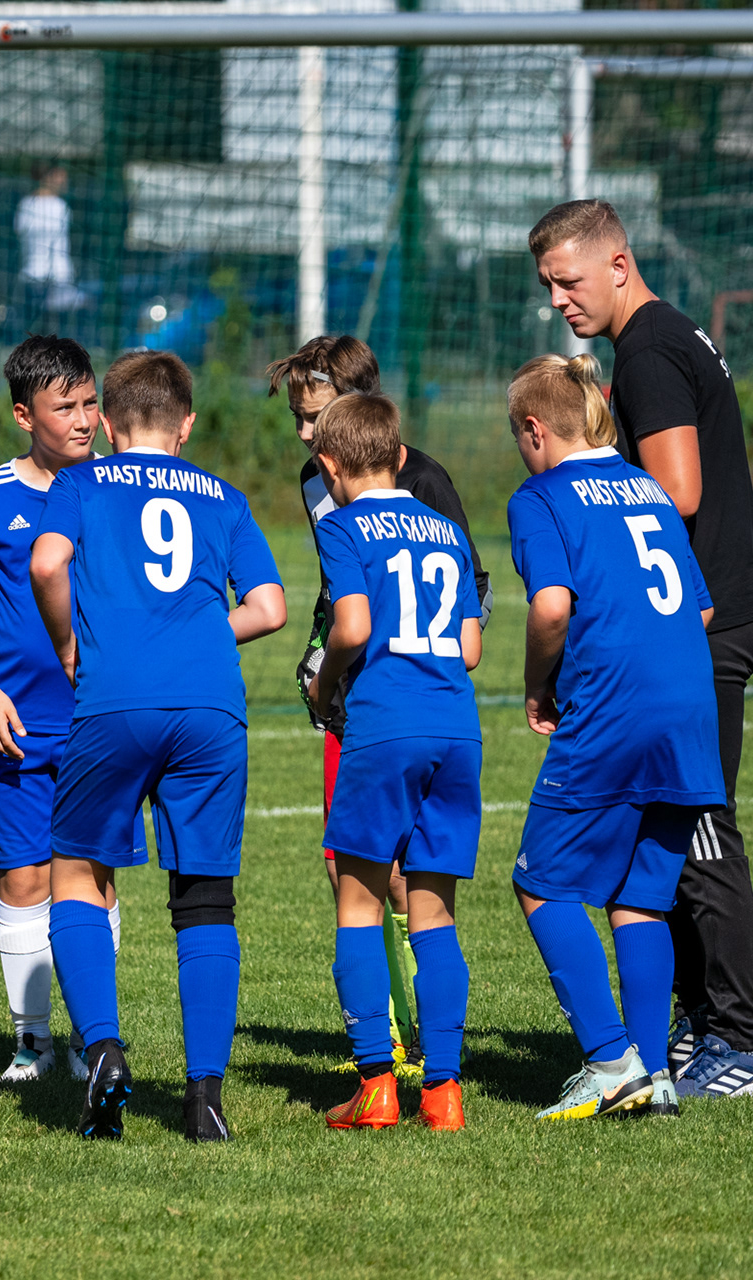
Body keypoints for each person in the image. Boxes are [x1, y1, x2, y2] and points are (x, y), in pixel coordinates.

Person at [530, 199, 753, 1100]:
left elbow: (676, 491)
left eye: (568, 280)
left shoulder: (645, 352)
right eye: (548, 285)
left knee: (699, 825)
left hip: (703, 620)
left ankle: (739, 1044)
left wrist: (592, 495)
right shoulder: (667, 334)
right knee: (663, 831)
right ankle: (694, 1025)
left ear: (618, 264)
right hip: (699, 612)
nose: (558, 300)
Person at [31, 350, 288, 1142]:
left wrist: (68, 643)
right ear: (188, 425)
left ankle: (105, 1053)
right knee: (205, 895)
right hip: (212, 705)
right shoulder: (225, 497)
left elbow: (47, 561)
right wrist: (201, 638)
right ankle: (205, 1097)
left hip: (116, 697)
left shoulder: (80, 483)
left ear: (108, 424)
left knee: (77, 870)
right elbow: (270, 608)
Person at [504, 352, 724, 1121]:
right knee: (640, 898)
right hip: (689, 709)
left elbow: (552, 606)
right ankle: (655, 1074)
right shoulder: (648, 488)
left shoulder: (540, 496)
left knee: (541, 883)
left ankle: (608, 1062)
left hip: (612, 707)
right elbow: (700, 608)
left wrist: (538, 685)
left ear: (535, 429)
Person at [267, 334, 490, 1078]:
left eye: (317, 418)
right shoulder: (315, 480)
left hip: (385, 698)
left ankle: (389, 1059)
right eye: (299, 420)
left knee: (378, 883)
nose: (308, 435)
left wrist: (333, 669)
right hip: (435, 713)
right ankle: (417, 1057)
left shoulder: (422, 481)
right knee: (356, 873)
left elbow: (457, 593)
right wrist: (320, 649)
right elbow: (349, 593)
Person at [0, 335, 128, 1085]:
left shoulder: (117, 488)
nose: (83, 419)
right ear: (24, 415)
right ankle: (32, 1043)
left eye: (90, 403)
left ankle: (94, 1039)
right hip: (18, 722)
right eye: (64, 407)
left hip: (100, 720)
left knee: (94, 880)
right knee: (24, 879)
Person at [305, 393, 482, 1133]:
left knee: (359, 903)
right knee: (434, 913)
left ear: (330, 464)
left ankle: (376, 1085)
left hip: (385, 725)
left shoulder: (342, 525)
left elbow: (351, 626)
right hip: (456, 728)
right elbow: (470, 649)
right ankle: (444, 1094)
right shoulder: (446, 528)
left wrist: (324, 684)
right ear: (397, 453)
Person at [13, 164, 86, 339]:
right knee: (56, 333)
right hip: (56, 276)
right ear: (49, 177)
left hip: (31, 274)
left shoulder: (25, 205)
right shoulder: (60, 206)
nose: (65, 182)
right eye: (61, 177)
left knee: (36, 333)